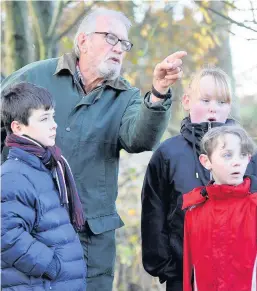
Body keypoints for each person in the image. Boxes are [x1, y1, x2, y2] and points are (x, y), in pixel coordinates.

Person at [1, 7, 187, 291]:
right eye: (111, 38)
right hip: (31, 230)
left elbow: (140, 138)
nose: (119, 49)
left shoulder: (125, 97)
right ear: (83, 40)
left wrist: (158, 92)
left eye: (124, 43)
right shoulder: (34, 77)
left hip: (92, 237)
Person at [141, 66, 257, 290]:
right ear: (186, 101)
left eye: (221, 102)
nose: (213, 108)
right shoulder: (168, 154)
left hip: (240, 275)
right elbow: (153, 213)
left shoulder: (247, 153)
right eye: (205, 100)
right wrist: (168, 268)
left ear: (229, 106)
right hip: (185, 273)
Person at [1, 82, 86, 291]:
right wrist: (53, 265)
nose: (54, 124)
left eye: (53, 116)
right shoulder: (14, 175)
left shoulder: (46, 166)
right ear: (18, 127)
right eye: (44, 118)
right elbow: (6, 236)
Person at [182, 125, 257, 291]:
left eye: (243, 154)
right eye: (227, 155)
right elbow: (189, 270)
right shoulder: (195, 209)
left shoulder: (254, 205)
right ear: (206, 161)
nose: (237, 162)